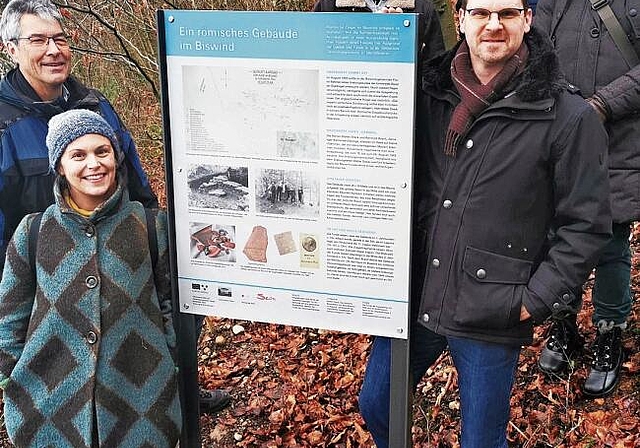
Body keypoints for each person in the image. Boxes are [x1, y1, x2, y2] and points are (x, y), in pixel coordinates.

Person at [358, 0, 613, 445]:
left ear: (527, 20)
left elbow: (587, 225)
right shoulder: (427, 91)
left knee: (480, 439)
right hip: (416, 292)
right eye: (480, 12)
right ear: (459, 19)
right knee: (377, 404)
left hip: (492, 307)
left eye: (508, 13)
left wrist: (534, 300)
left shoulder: (567, 117)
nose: (493, 24)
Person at [0, 0, 230, 413]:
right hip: (46, 281)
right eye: (38, 39)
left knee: (149, 340)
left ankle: (176, 394)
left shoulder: (93, 102)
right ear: (11, 48)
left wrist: (150, 227)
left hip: (123, 258)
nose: (53, 49)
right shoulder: (3, 124)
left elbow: (132, 171)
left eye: (60, 38)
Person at [0, 109, 181, 447]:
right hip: (46, 407)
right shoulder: (32, 232)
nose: (93, 164)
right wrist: (12, 379)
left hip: (142, 404)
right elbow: (9, 316)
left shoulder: (152, 226)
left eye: (102, 151)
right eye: (78, 155)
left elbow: (178, 304)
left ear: (115, 156)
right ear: (60, 166)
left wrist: (169, 360)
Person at [534, 0, 639, 398]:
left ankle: (609, 334)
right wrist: (566, 103)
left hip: (619, 143)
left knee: (610, 244)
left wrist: (601, 105)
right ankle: (564, 324)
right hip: (558, 136)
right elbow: (534, 50)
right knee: (555, 237)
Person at [312, 0, 445, 60]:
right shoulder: (328, 6)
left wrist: (405, 42)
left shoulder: (422, 9)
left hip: (399, 107)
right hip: (341, 107)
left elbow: (436, 77)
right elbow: (312, 56)